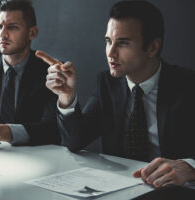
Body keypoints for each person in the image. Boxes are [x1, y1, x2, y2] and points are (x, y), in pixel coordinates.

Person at [37, 0, 195, 188]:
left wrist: (190, 167)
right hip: (122, 190)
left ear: (153, 47)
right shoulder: (107, 84)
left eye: (123, 43)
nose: (110, 53)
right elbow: (75, 142)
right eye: (108, 41)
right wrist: (66, 97)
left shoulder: (187, 85)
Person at [0, 0, 60, 146]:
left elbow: (54, 130)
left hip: (36, 158)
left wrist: (2, 132)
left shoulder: (50, 72)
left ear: (32, 33)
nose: (3, 34)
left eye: (12, 27)